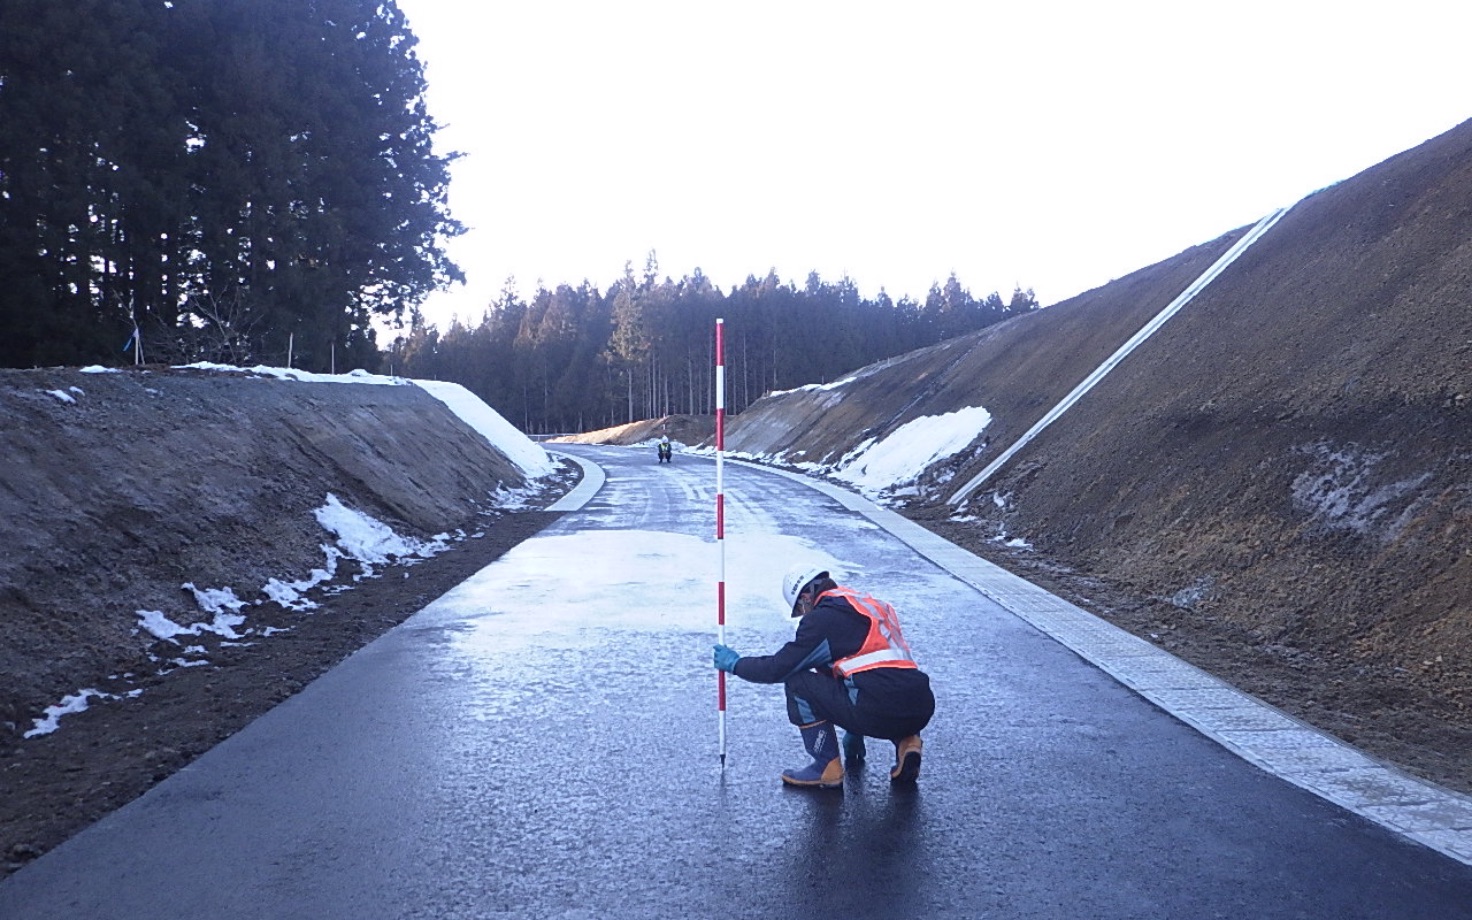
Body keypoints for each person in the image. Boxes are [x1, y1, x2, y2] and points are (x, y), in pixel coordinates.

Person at [713, 563, 935, 789]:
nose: (803, 616)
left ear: (806, 596)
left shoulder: (823, 618)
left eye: (800, 609)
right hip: (920, 707)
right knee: (883, 690)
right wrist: (854, 730)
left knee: (798, 682)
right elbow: (872, 668)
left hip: (876, 707)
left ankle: (825, 765)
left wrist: (737, 664)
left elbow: (779, 667)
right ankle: (908, 742)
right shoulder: (866, 605)